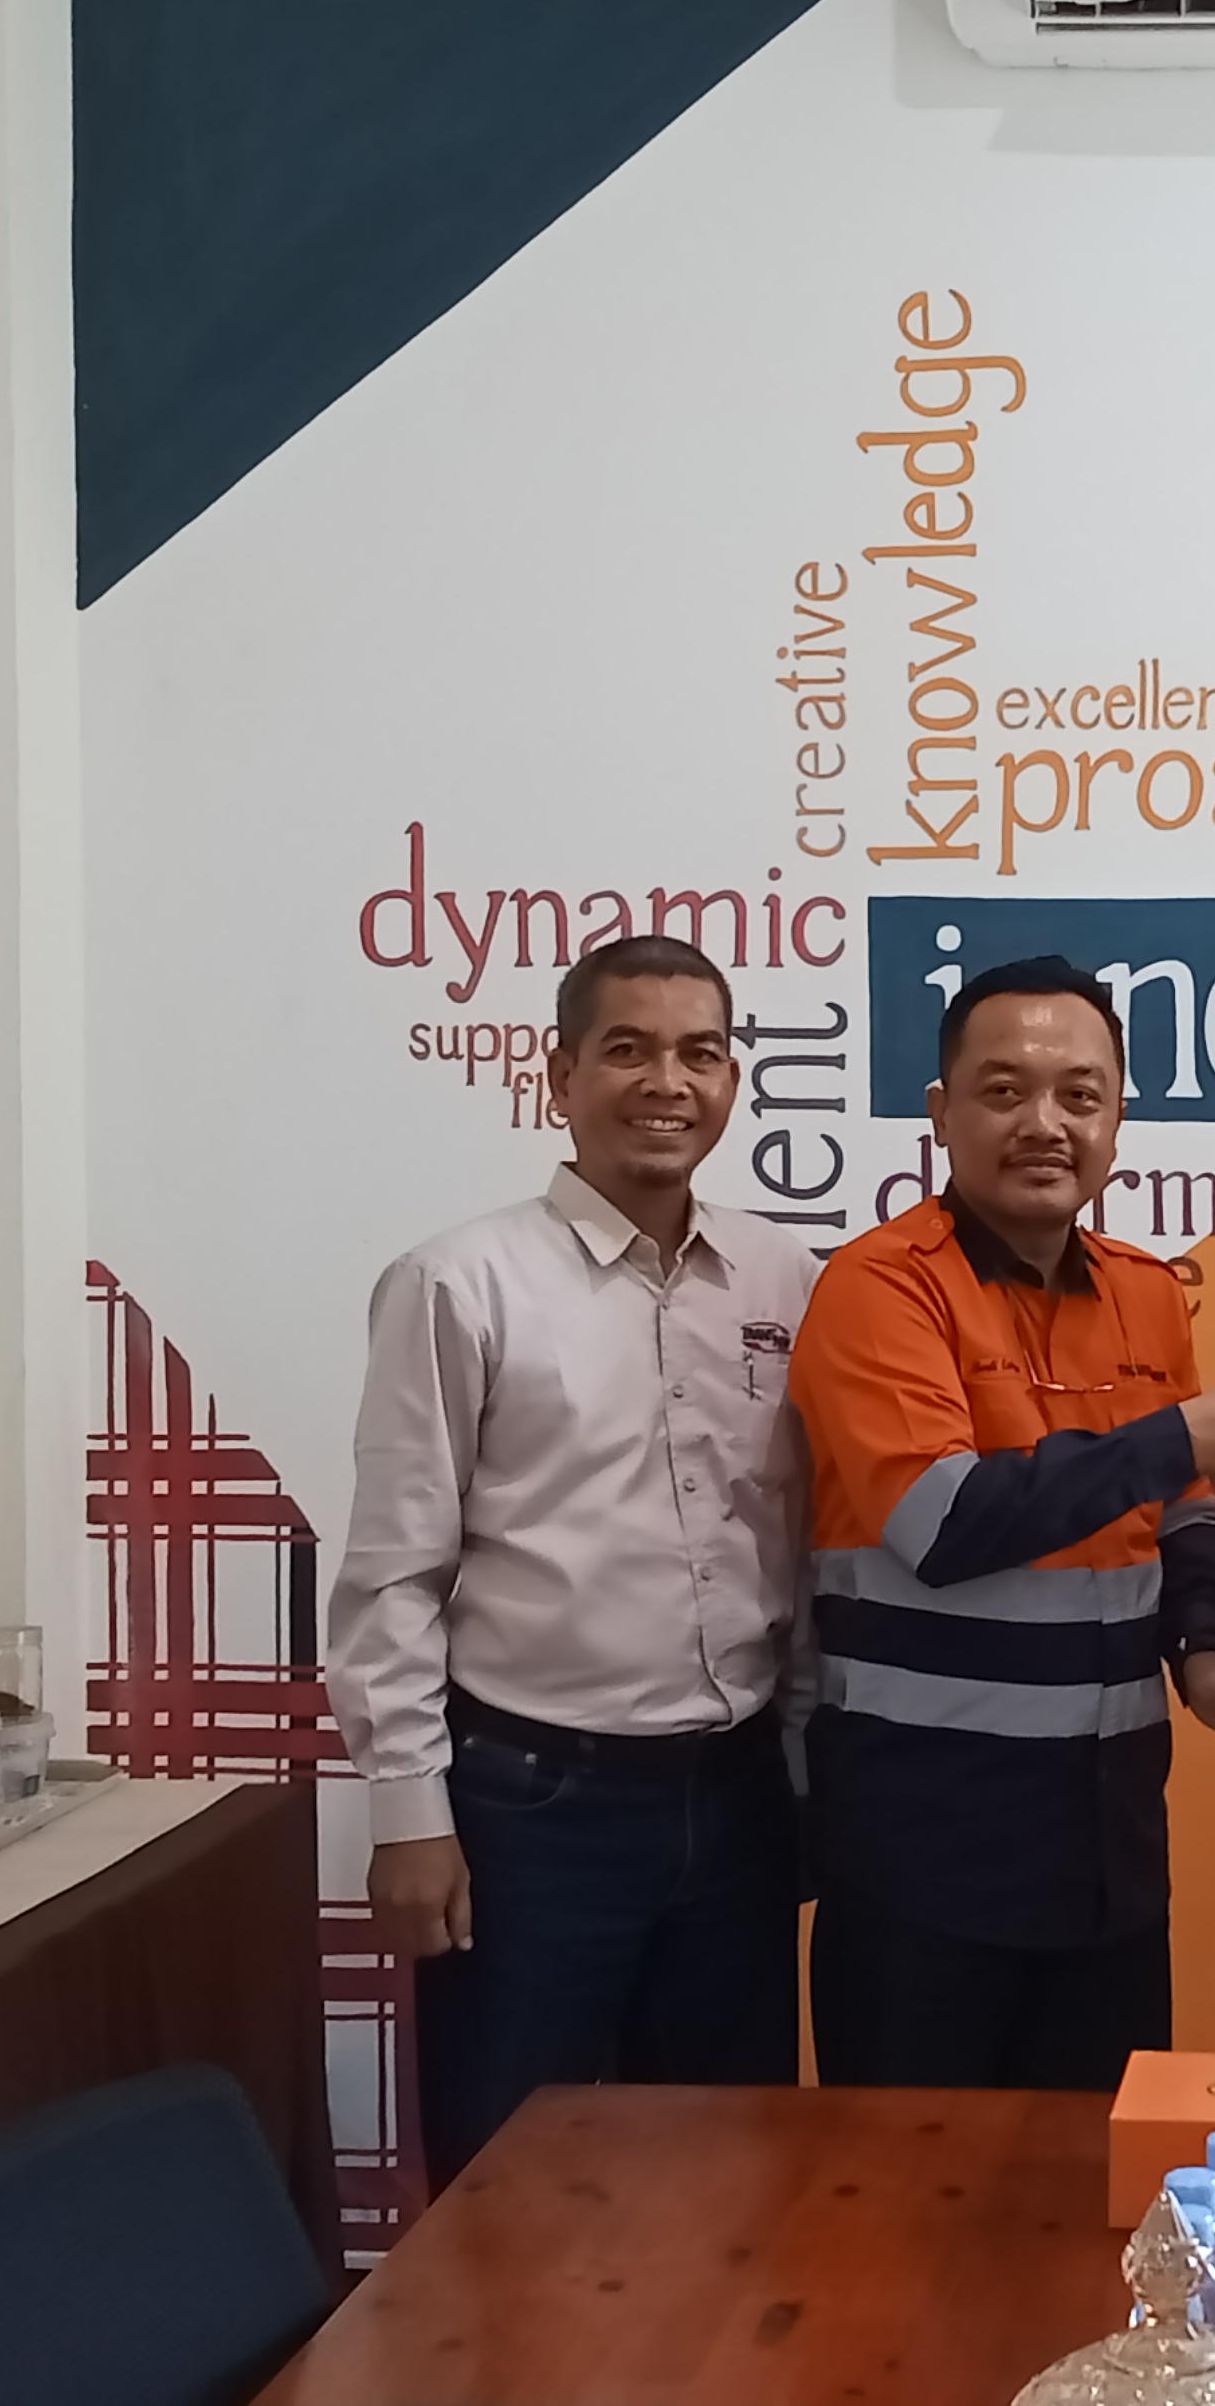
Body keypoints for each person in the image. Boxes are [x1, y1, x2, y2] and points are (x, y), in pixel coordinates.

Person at [789, 956, 1215, 2089]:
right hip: (921, 1854)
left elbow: (1181, 1512)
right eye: (1005, 1091)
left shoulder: (1146, 1289)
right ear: (941, 1112)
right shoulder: (877, 1287)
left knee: (1100, 2172)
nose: (1045, 1123)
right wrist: (1180, 1438)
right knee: (904, 2181)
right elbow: (940, 1524)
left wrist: (1206, 1652)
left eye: (1080, 1095)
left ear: (1118, 1118)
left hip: (1109, 1848)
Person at [327, 935, 815, 2185]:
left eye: (700, 1053)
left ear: (732, 1078)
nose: (668, 1083)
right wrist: (408, 1813)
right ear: (559, 1075)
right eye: (628, 1050)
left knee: (730, 2175)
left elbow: (802, 1540)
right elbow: (394, 1571)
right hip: (533, 1809)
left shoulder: (786, 1279)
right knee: (503, 2186)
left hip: (738, 1797)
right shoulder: (458, 1284)